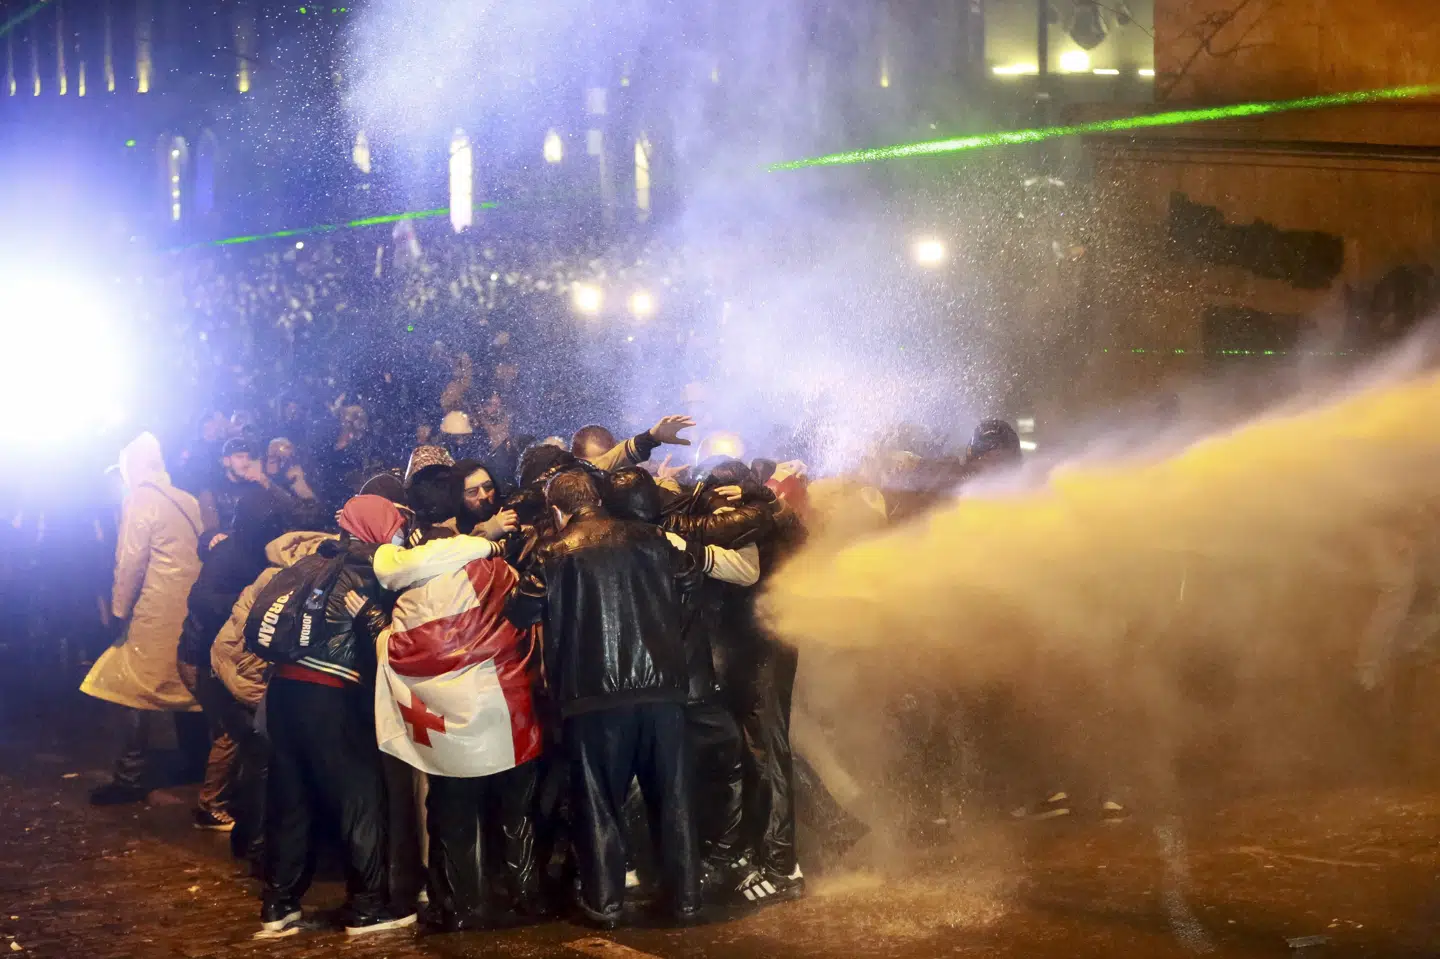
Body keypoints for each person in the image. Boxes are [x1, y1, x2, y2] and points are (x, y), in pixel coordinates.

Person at [505, 470, 704, 928]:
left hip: (591, 696)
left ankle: (606, 902)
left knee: (598, 803)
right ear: (597, 498)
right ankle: (686, 900)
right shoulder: (653, 538)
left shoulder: (554, 552)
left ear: (557, 509)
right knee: (673, 797)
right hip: (663, 690)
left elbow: (521, 610)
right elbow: (690, 580)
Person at [375, 466, 542, 930]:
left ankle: (461, 906)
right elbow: (524, 629)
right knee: (514, 810)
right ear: (459, 503)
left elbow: (405, 650)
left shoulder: (405, 580)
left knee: (453, 813)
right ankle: (524, 895)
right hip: (506, 709)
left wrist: (377, 631)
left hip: (446, 724)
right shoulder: (496, 566)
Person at [258, 495, 416, 938]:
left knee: (291, 797)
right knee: (360, 797)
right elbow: (382, 639)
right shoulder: (370, 570)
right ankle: (367, 907)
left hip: (283, 693)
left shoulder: (314, 562)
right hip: (333, 695)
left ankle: (279, 903)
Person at [83, 433, 205, 806]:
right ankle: (198, 761)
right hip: (189, 609)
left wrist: (119, 610)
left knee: (128, 687)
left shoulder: (139, 499)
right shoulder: (187, 500)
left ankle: (129, 776)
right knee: (187, 684)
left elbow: (131, 561)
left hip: (153, 611)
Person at [176, 488, 286, 831]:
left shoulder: (247, 549)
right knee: (230, 730)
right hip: (202, 656)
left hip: (216, 656)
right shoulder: (230, 554)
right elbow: (200, 598)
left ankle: (230, 795)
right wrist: (243, 602)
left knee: (234, 729)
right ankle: (210, 806)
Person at [570, 415, 699, 472]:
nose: (605, 473)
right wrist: (649, 438)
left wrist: (665, 481)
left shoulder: (632, 485)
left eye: (614, 462)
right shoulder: (560, 488)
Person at [197, 438, 266, 536]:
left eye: (248, 457)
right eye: (239, 457)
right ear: (226, 461)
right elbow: (210, 531)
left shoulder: (256, 486)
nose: (245, 462)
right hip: (227, 546)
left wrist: (266, 483)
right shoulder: (212, 491)